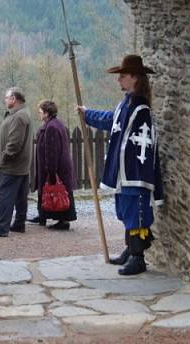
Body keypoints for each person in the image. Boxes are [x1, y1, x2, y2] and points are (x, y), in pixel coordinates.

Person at [79, 54, 163, 276]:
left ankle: (138, 258)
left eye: (123, 76)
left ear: (135, 78)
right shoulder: (126, 103)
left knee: (136, 211)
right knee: (126, 210)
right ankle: (130, 249)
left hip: (135, 170)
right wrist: (88, 114)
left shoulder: (140, 108)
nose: (119, 80)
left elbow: (142, 142)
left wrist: (133, 165)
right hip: (125, 171)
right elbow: (112, 120)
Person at [0, 87, 32, 237]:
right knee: (20, 196)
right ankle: (19, 224)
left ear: (13, 99)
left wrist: (4, 158)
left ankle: (2, 228)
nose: (5, 100)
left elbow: (14, 144)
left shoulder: (18, 116)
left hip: (12, 164)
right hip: (21, 164)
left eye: (6, 97)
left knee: (6, 195)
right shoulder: (22, 113)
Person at [29, 100, 77, 230]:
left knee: (57, 191)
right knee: (46, 191)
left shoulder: (51, 127)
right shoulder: (54, 124)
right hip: (53, 166)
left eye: (40, 112)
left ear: (46, 113)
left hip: (56, 167)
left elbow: (52, 151)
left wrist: (51, 171)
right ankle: (43, 215)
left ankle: (63, 221)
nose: (39, 114)